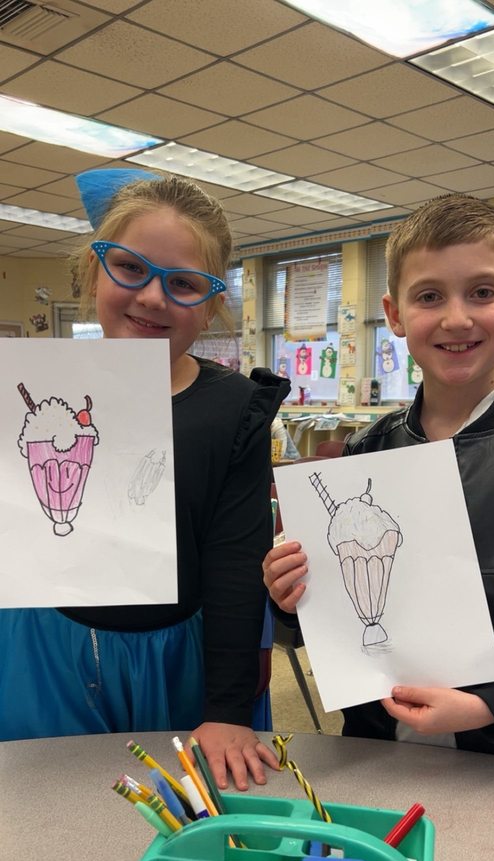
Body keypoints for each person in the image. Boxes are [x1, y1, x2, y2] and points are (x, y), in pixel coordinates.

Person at [1, 168, 290, 789]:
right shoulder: (27, 394)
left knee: (176, 815)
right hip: (42, 643)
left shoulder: (232, 409)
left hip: (175, 655)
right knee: (43, 807)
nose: (154, 298)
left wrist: (228, 710)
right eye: (130, 268)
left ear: (213, 303)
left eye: (184, 283)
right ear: (92, 270)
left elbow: (237, 559)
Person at [264, 193, 494, 761]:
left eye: (482, 292)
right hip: (374, 744)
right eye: (429, 296)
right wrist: (291, 601)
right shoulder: (367, 450)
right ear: (395, 315)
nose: (457, 318)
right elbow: (335, 618)